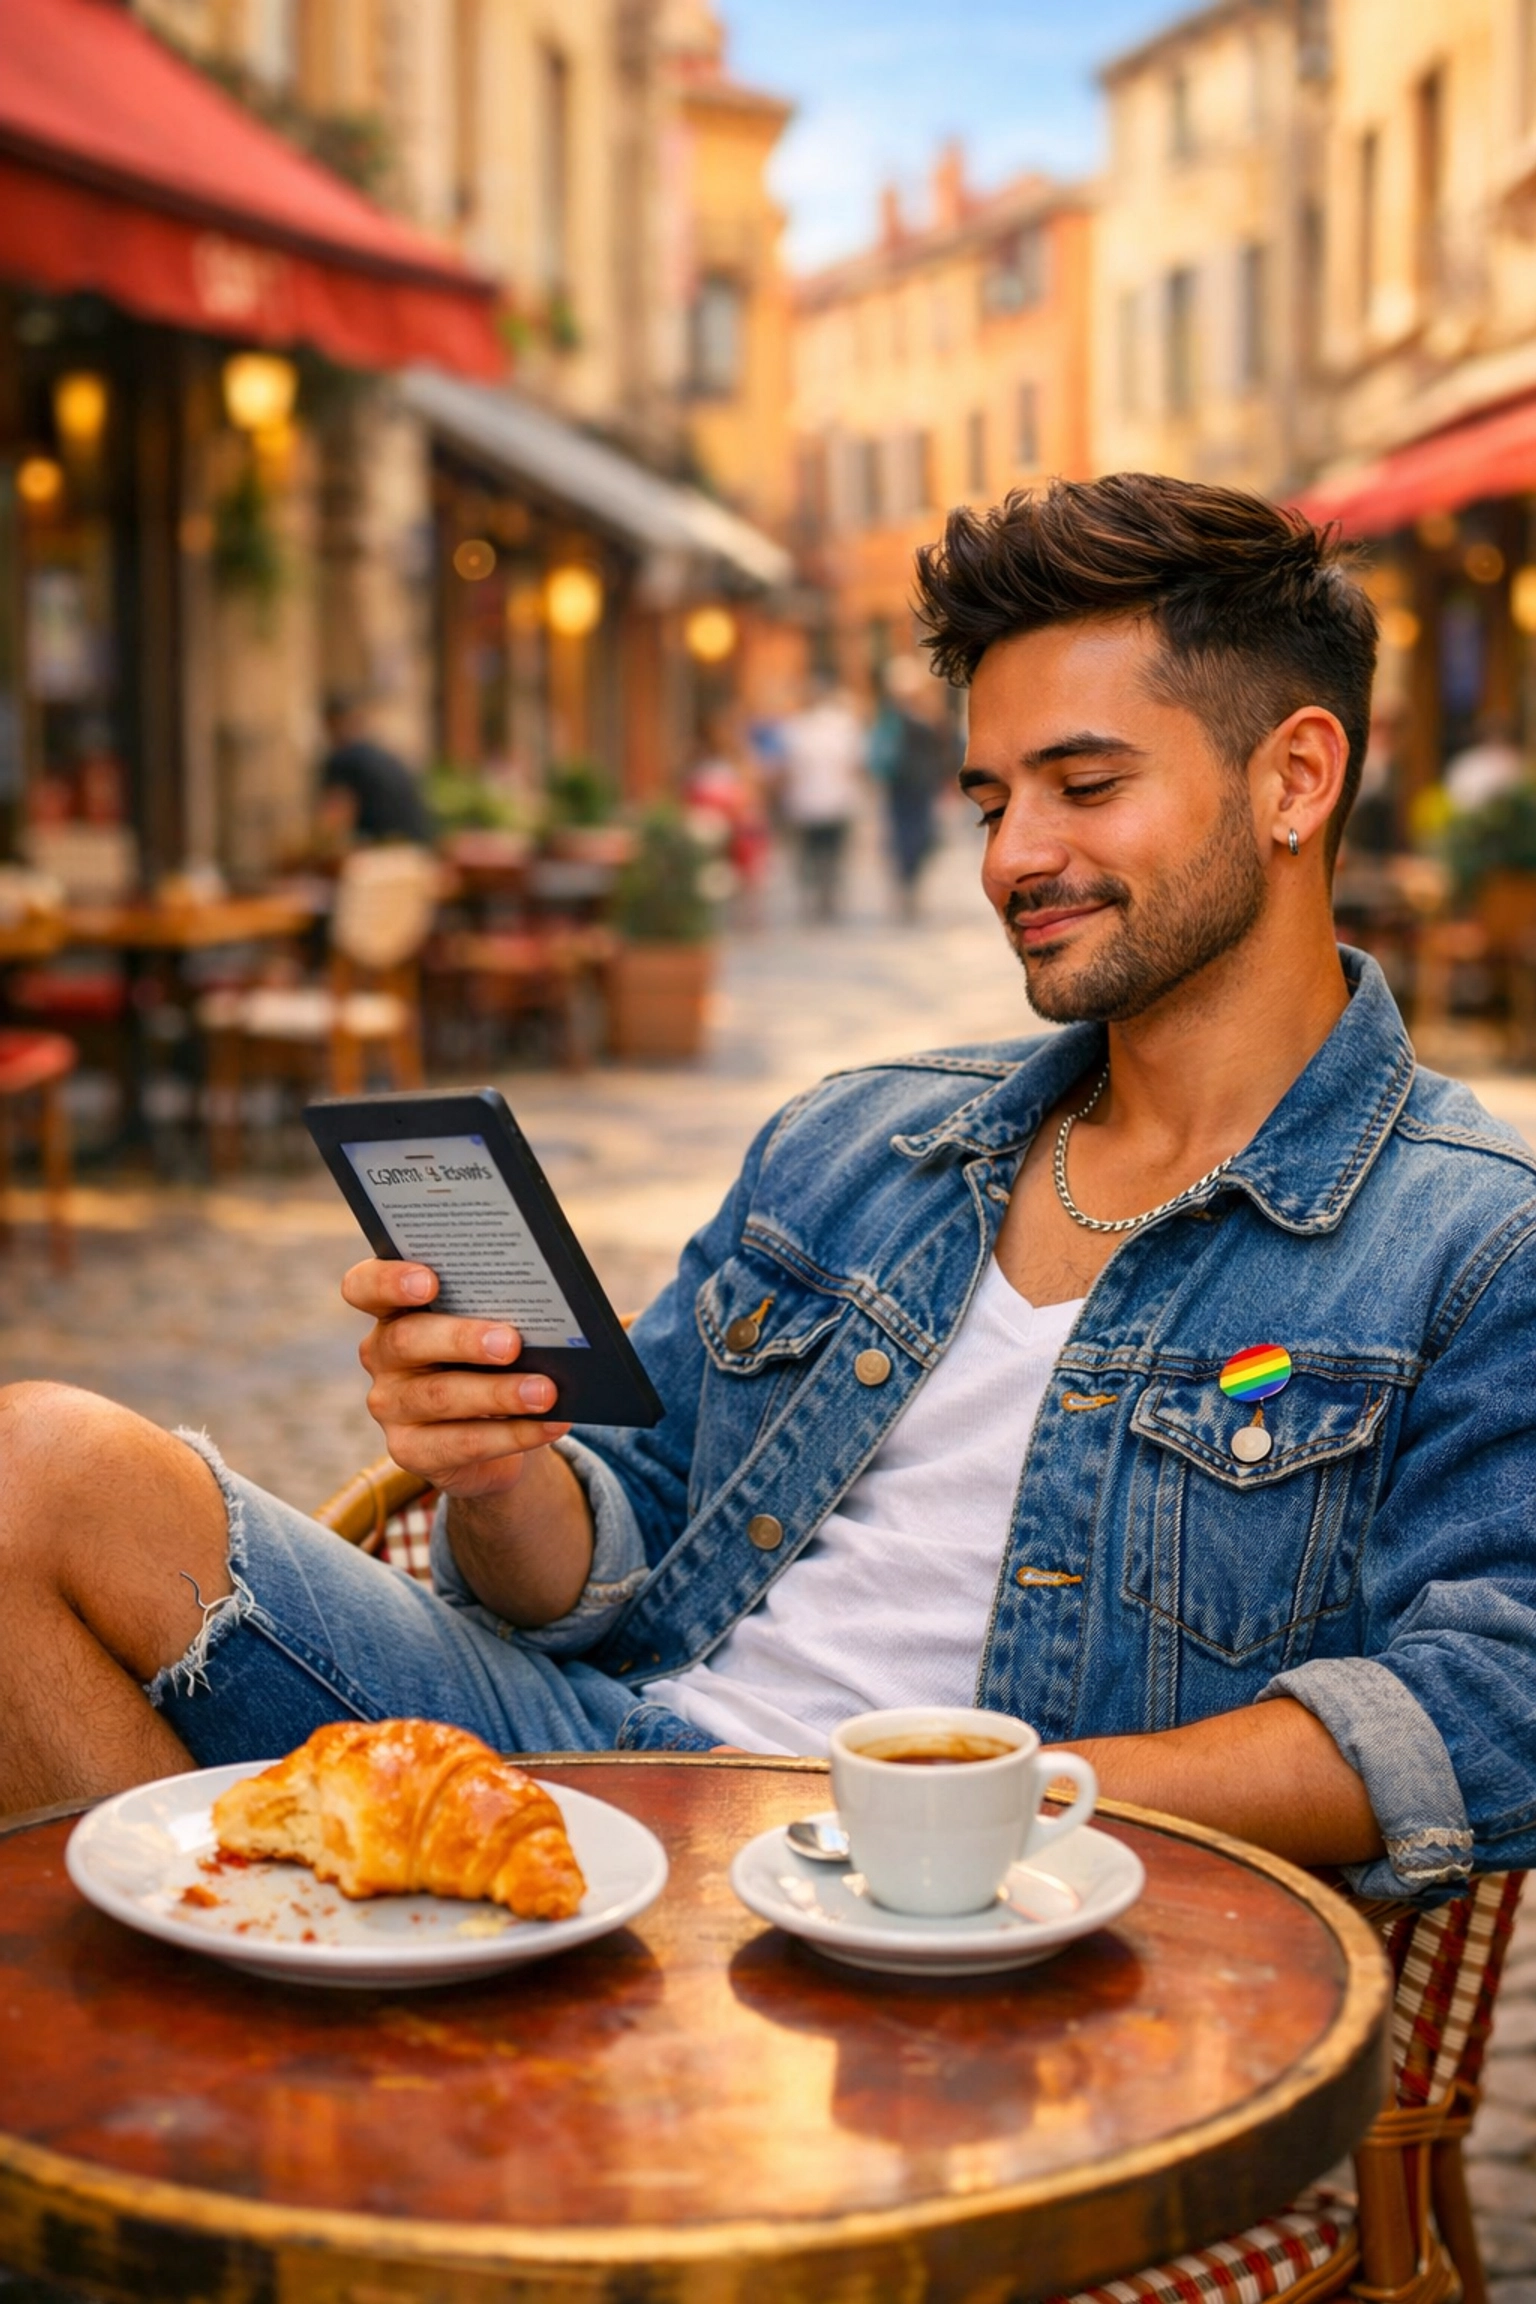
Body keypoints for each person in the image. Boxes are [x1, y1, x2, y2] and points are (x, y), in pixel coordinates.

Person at [5, 474, 1535, 1906]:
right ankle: (227, 2098)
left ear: (1298, 777)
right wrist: (499, 1475)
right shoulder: (856, 1141)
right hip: (621, 1760)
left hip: (979, 1901)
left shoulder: (1467, 1239)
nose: (1018, 855)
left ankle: (315, 2088)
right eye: (994, 797)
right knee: (34, 1467)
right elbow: (610, 1546)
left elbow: (1487, 1702)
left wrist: (990, 1799)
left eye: (1084, 784)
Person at [869, 653, 957, 919]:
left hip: (916, 785)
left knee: (915, 835)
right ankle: (907, 884)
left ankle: (908, 883)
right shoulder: (902, 717)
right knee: (909, 836)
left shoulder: (910, 716)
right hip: (907, 784)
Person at [774, 676, 866, 923]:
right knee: (831, 854)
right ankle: (827, 896)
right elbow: (855, 766)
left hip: (806, 803)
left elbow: (787, 770)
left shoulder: (795, 728)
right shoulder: (843, 726)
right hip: (835, 801)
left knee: (809, 855)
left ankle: (815, 896)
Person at [316, 694, 435, 848]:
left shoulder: (343, 760)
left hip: (385, 852)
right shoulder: (383, 755)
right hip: (418, 848)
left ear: (330, 723)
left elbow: (333, 820)